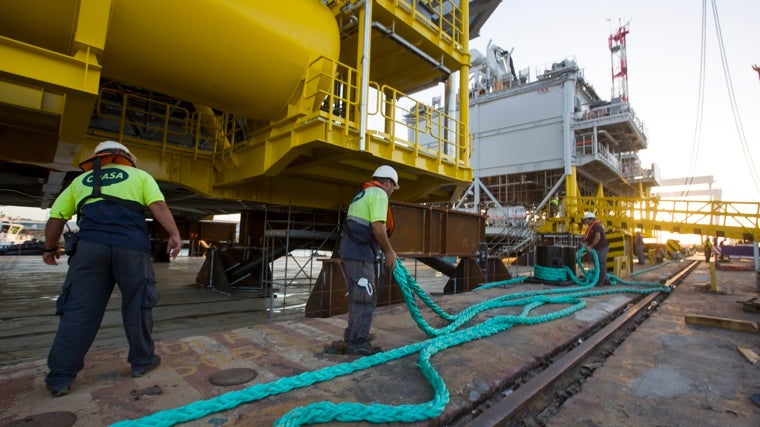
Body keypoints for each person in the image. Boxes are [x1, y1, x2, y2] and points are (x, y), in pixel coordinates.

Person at [41, 140, 182, 397]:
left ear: (98, 158)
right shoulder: (140, 175)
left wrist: (50, 248)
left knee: (78, 310)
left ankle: (60, 377)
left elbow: (56, 218)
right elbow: (158, 206)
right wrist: (173, 234)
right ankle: (142, 361)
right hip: (131, 249)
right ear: (126, 157)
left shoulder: (80, 181)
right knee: (138, 304)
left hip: (89, 250)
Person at [338, 165, 399, 356]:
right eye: (392, 188)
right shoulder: (379, 194)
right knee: (365, 298)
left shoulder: (362, 194)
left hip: (350, 252)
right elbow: (378, 227)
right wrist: (389, 251)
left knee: (358, 296)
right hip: (360, 253)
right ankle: (358, 343)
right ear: (388, 183)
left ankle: (353, 335)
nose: (391, 193)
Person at [581, 211, 610, 286]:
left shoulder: (596, 226)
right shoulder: (591, 227)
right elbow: (589, 238)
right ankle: (605, 279)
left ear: (591, 219)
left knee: (601, 264)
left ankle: (600, 282)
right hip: (597, 248)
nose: (585, 222)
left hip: (601, 248)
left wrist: (590, 246)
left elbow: (597, 238)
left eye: (586, 220)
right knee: (597, 264)